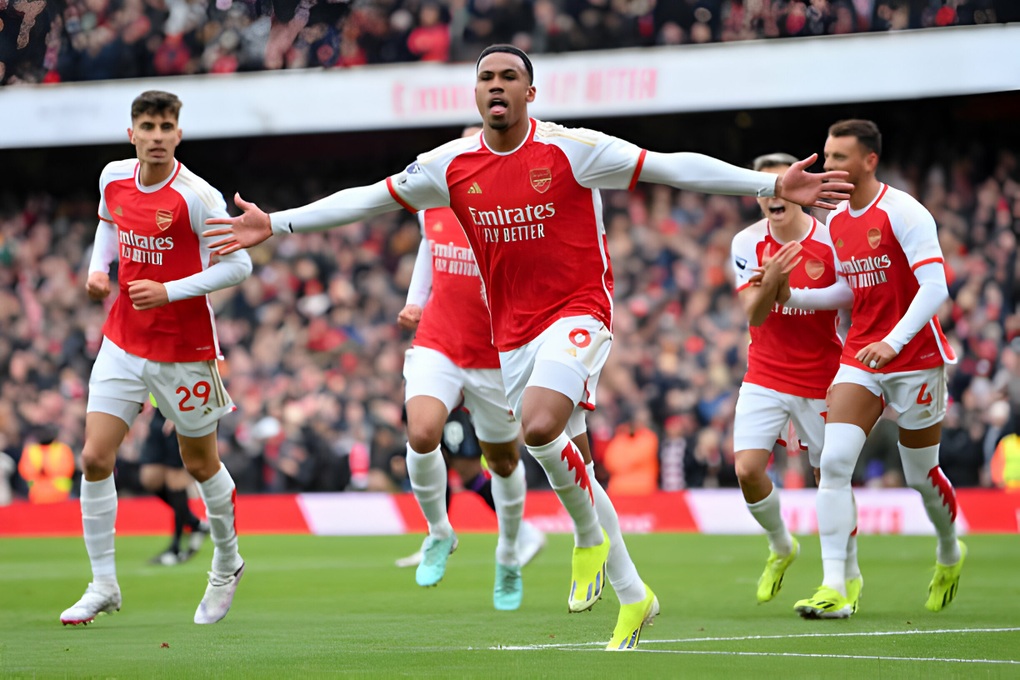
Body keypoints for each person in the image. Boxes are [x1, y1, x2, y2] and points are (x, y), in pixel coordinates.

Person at [206, 44, 851, 649]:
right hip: (509, 336)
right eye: (486, 78)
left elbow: (670, 168)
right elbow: (369, 199)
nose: (496, 86)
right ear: (475, 93)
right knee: (550, 444)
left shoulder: (573, 150)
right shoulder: (449, 166)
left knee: (540, 429)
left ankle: (588, 539)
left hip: (577, 312)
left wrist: (762, 186)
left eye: (508, 78)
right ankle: (633, 593)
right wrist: (279, 223)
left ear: (530, 92)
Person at [60, 90, 252, 626]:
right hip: (123, 340)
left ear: (178, 134)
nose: (158, 135)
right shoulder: (113, 177)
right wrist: (99, 269)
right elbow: (107, 223)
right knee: (95, 458)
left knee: (198, 463)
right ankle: (103, 584)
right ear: (132, 134)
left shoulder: (197, 197)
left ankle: (227, 562)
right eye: (148, 126)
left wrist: (170, 292)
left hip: (184, 351)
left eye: (167, 126)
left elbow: (239, 269)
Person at [775, 119, 964, 618]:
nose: (830, 166)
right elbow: (849, 291)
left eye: (839, 157)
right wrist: (791, 295)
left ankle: (949, 547)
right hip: (860, 355)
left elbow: (936, 288)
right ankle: (837, 584)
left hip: (916, 358)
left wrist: (894, 340)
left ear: (869, 161)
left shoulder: (905, 212)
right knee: (834, 463)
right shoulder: (836, 218)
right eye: (826, 155)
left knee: (921, 477)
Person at [394, 175, 545, 609]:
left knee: (502, 459)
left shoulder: (512, 218)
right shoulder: (433, 207)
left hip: (495, 357)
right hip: (437, 343)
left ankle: (509, 553)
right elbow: (429, 246)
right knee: (422, 434)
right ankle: (439, 533)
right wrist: (415, 300)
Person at [730, 152, 862, 608]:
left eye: (781, 184)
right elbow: (755, 312)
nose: (774, 194)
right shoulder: (747, 243)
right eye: (765, 187)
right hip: (764, 372)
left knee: (832, 476)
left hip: (820, 378)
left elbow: (849, 298)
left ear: (799, 188)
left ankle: (847, 577)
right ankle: (782, 544)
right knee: (747, 469)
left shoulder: (830, 242)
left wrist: (793, 291)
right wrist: (772, 286)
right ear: (758, 197)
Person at [140, 402, 211, 566]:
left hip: (181, 411)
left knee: (176, 482)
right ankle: (195, 523)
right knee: (149, 478)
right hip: (159, 413)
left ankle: (176, 547)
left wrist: (181, 412)